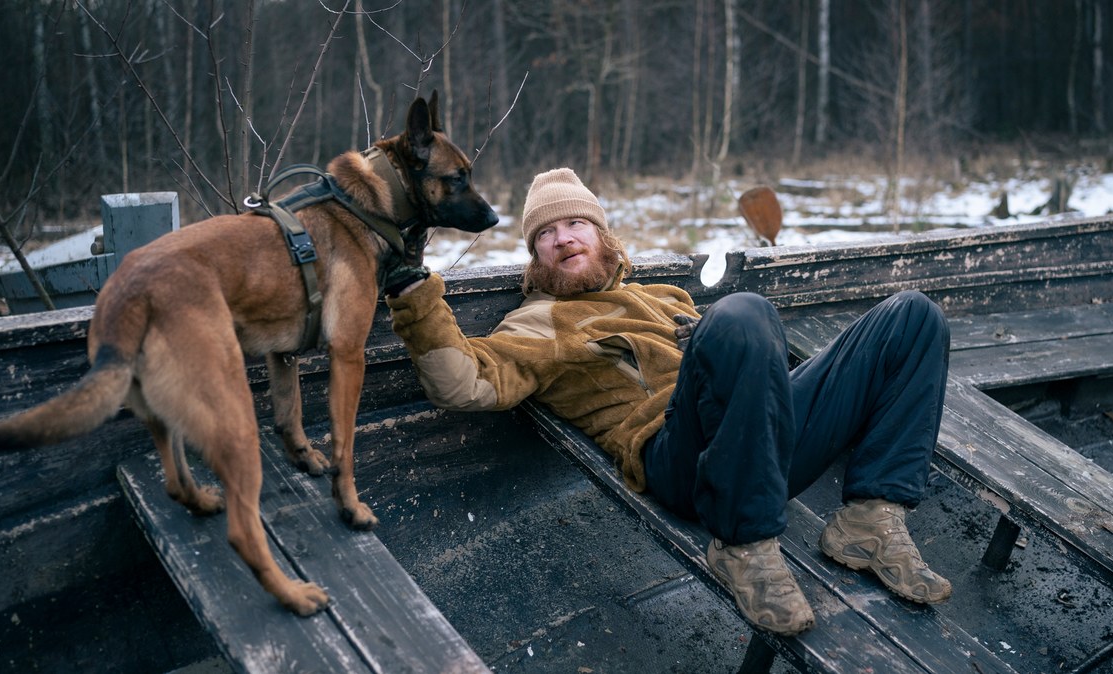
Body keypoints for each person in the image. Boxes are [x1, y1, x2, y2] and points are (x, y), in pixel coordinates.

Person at [383, 168, 952, 637]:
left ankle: (871, 520)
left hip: (756, 446)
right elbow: (461, 384)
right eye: (545, 235)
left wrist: (713, 345)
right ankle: (744, 547)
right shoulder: (536, 324)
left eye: (575, 222)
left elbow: (748, 377)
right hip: (680, 462)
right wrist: (415, 297)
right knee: (745, 311)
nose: (563, 238)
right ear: (535, 257)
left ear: (602, 235)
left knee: (911, 316)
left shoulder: (659, 297)